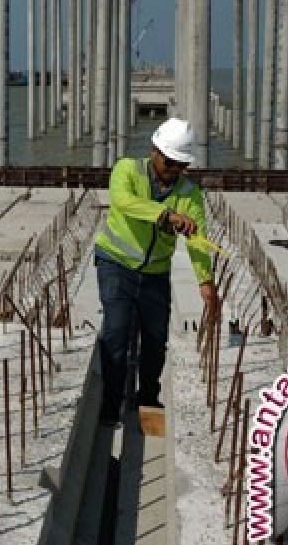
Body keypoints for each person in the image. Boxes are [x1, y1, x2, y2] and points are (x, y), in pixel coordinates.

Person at [93, 118, 219, 425]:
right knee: (117, 333)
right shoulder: (127, 169)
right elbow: (123, 202)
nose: (174, 170)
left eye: (180, 165)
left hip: (155, 274)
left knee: (154, 339)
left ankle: (147, 399)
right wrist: (165, 215)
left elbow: (197, 240)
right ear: (154, 152)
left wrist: (205, 281)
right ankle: (110, 407)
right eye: (169, 162)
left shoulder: (189, 194)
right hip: (116, 264)